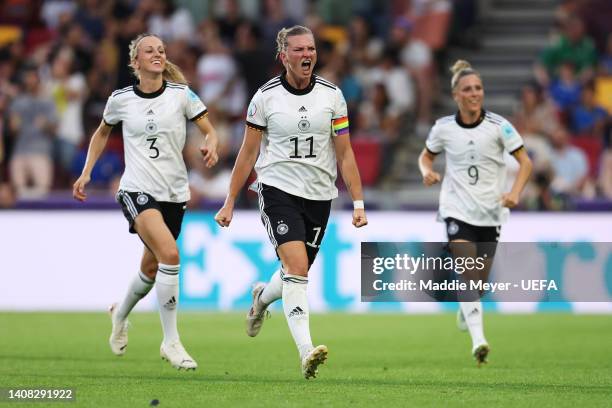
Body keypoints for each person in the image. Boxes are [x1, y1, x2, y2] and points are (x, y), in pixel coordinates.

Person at [214, 25, 367, 379]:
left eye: (311, 49)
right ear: (283, 56)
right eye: (298, 50)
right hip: (277, 189)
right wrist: (230, 200)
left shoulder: (332, 96)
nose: (307, 55)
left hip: (319, 194)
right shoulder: (265, 98)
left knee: (296, 272)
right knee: (296, 266)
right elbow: (248, 152)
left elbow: (344, 154)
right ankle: (305, 352)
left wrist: (358, 202)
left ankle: (261, 299)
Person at [73, 33, 219, 370]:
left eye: (161, 50)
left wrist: (211, 143)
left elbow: (210, 130)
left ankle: (119, 313)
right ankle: (171, 341)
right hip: (136, 189)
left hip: (174, 193)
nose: (157, 54)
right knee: (170, 254)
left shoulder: (182, 95)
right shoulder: (121, 99)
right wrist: (86, 173)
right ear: (135, 62)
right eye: (149, 51)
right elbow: (101, 134)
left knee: (152, 268)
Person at [418, 60, 532, 366]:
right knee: (467, 274)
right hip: (456, 210)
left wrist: (515, 193)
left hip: (491, 212)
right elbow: (425, 157)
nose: (474, 93)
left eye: (478, 88)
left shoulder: (499, 126)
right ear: (456, 94)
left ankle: (466, 308)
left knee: (477, 284)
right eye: (467, 89)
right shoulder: (443, 128)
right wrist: (426, 171)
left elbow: (526, 163)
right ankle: (479, 341)